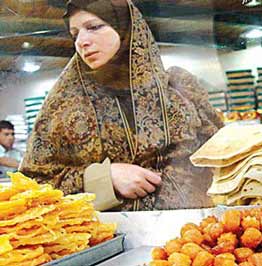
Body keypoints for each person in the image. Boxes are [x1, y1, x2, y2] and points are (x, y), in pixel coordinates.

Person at [20, 0, 223, 211]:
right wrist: (104, 177)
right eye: (75, 34)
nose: (82, 41)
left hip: (200, 231)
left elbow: (224, 160)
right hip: (112, 236)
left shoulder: (179, 88)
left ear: (126, 27)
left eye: (94, 27)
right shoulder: (64, 104)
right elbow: (31, 185)